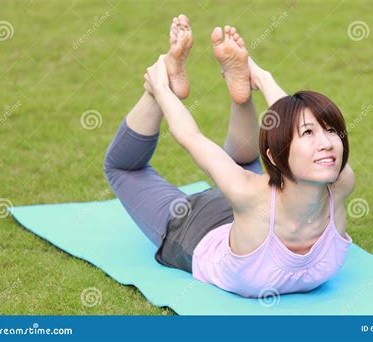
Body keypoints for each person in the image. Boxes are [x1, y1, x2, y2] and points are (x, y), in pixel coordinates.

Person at [103, 14, 356, 298]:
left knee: (239, 169)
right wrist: (161, 91)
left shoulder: (341, 181)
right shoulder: (249, 193)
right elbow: (191, 137)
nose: (326, 143)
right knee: (123, 168)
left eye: (332, 131)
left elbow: (292, 122)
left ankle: (242, 93)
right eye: (309, 134)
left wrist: (261, 77)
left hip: (249, 213)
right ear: (274, 157)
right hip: (196, 225)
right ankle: (155, 90)